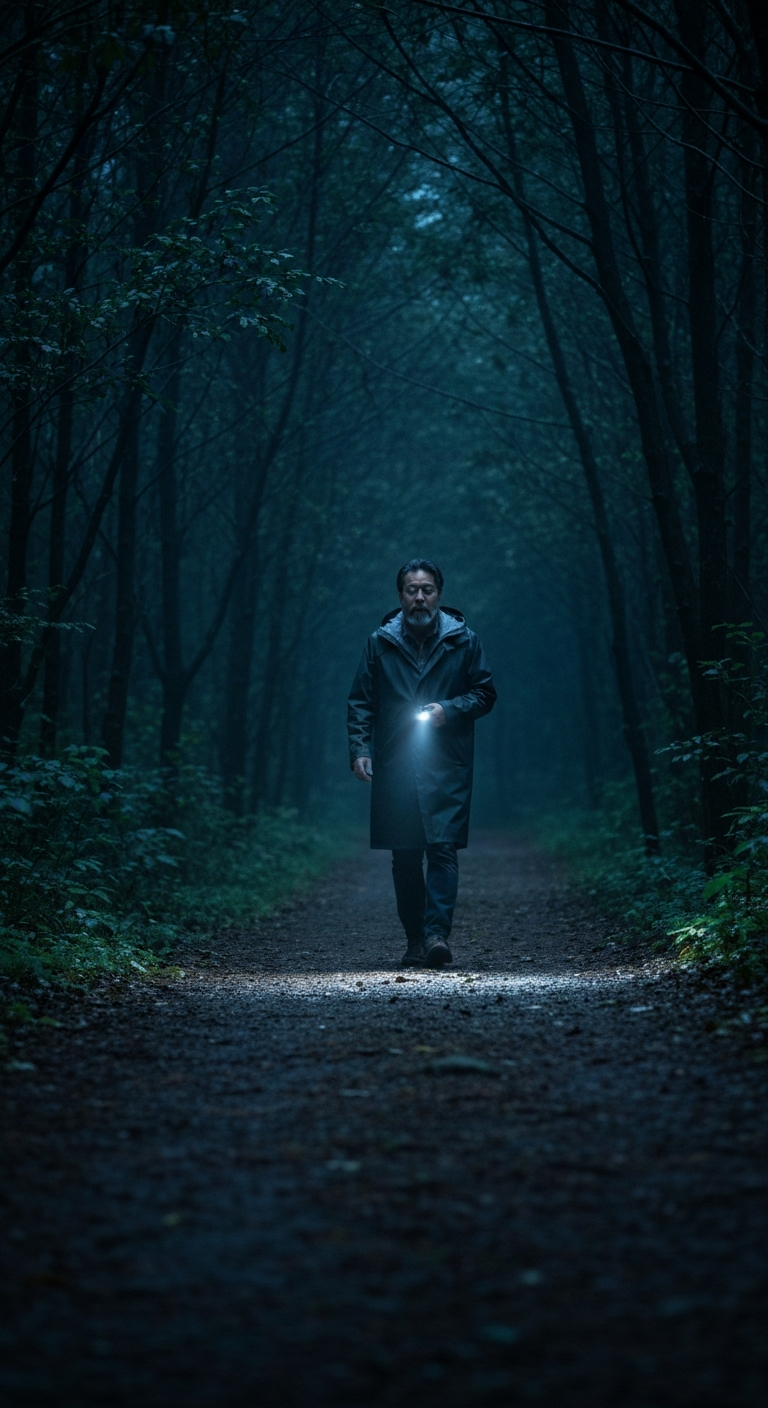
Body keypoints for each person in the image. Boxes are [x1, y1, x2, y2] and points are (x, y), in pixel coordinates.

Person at [347, 559, 497, 968]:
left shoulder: (464, 640)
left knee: (443, 847)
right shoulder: (379, 642)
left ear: (439, 595)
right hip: (396, 762)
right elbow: (361, 700)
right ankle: (415, 938)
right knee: (406, 854)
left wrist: (448, 709)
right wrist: (360, 749)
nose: (419, 597)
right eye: (412, 590)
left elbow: (485, 693)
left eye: (427, 589)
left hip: (446, 762)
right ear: (400, 597)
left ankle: (436, 935)